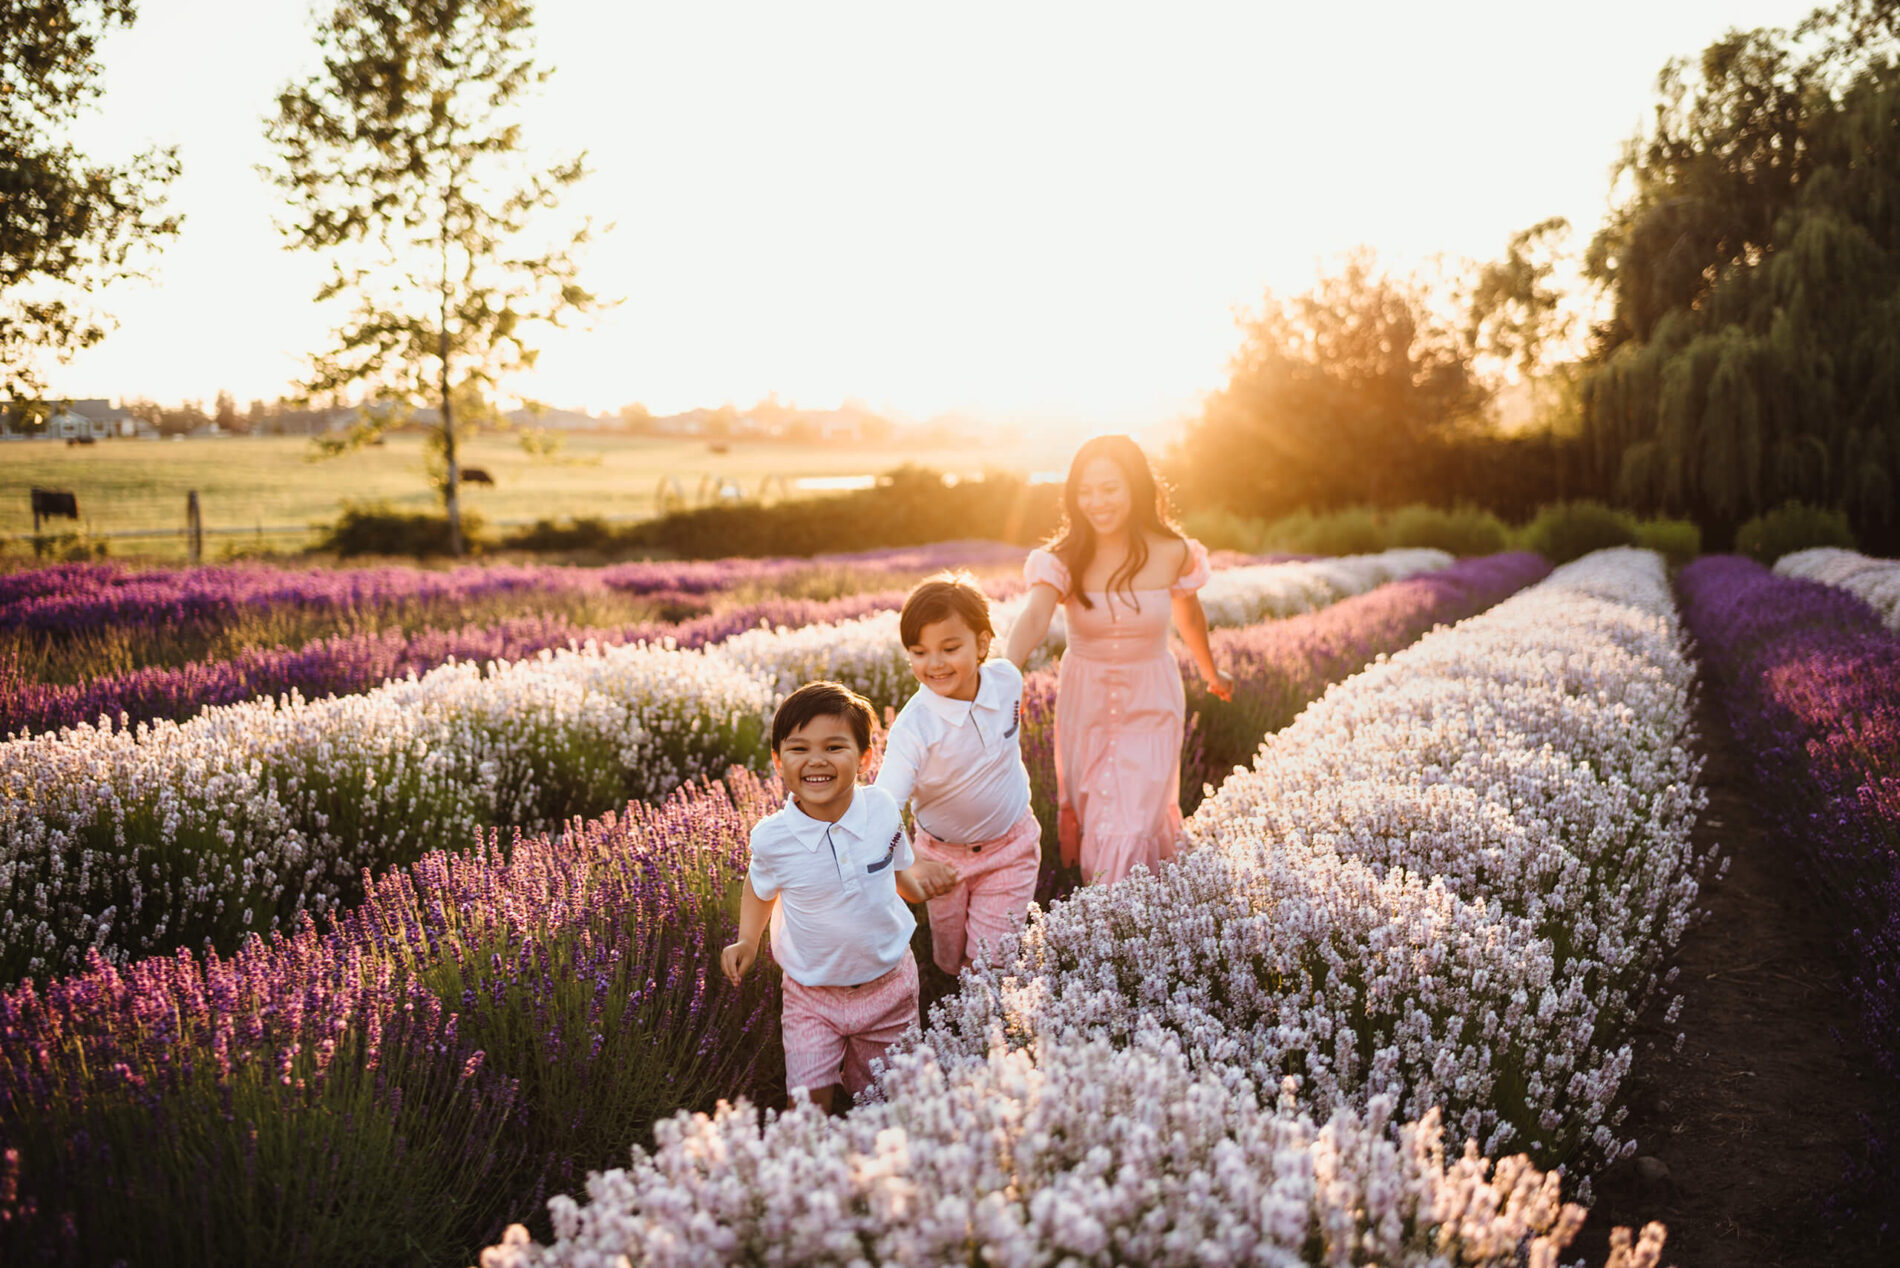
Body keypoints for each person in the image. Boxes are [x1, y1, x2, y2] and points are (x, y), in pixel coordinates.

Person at [1004, 435, 1233, 886]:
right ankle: (1137, 922)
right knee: (1103, 811)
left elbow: (1190, 616)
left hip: (1152, 698)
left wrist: (1212, 673)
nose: (1097, 502)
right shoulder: (1062, 559)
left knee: (1129, 819)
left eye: (1109, 488)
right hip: (1085, 704)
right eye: (1085, 491)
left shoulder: (1174, 552)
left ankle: (1114, 920)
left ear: (1136, 488)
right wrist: (1002, 674)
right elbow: (1034, 617)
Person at [720, 680, 959, 1111]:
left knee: (891, 1101)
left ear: (865, 758)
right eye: (798, 749)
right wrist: (748, 940)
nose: (816, 761)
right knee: (807, 1107)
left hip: (889, 986)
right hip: (812, 996)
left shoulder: (883, 809)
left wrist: (916, 888)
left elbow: (897, 863)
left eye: (834, 747)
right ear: (777, 761)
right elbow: (758, 888)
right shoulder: (773, 839)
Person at [874, 571, 1041, 977]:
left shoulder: (1007, 682)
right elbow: (882, 807)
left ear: (982, 643)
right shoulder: (914, 728)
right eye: (918, 652)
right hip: (939, 859)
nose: (934, 664)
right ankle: (958, 1010)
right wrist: (906, 866)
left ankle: (989, 1028)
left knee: (990, 962)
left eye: (949, 648)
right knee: (950, 961)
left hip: (1011, 846)